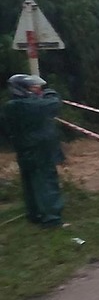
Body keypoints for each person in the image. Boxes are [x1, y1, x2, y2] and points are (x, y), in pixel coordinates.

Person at [2, 74, 66, 228]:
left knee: (30, 182)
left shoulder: (11, 106)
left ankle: (35, 214)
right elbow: (54, 104)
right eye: (32, 88)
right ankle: (52, 219)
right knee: (46, 182)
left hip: (25, 149)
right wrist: (50, 93)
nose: (36, 90)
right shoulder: (27, 105)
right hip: (39, 150)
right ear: (22, 89)